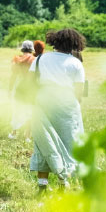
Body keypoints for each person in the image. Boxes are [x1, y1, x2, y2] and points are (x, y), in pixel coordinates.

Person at [29, 29, 86, 191]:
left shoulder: (40, 59)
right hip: (67, 106)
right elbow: (79, 91)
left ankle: (42, 186)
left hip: (43, 104)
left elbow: (30, 83)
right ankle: (63, 183)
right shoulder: (75, 63)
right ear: (75, 44)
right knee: (68, 144)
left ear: (54, 42)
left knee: (43, 142)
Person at [7, 40, 36, 140]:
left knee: (16, 109)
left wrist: (10, 89)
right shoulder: (34, 60)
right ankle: (27, 136)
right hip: (30, 87)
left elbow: (13, 76)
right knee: (29, 110)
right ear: (32, 49)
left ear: (22, 49)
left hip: (18, 85)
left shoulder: (17, 60)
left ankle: (14, 133)